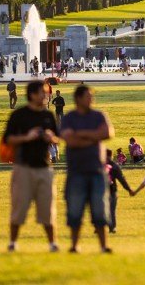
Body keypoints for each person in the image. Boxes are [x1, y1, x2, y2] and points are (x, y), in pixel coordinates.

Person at [3, 79, 61, 252]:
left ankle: (53, 244)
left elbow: (58, 138)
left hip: (44, 168)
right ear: (33, 95)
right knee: (19, 208)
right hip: (23, 167)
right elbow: (8, 139)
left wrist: (51, 138)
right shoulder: (19, 115)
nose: (46, 95)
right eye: (43, 92)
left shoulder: (48, 115)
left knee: (48, 208)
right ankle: (13, 243)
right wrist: (27, 137)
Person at [59, 84, 114, 253]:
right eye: (88, 96)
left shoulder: (99, 115)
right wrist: (94, 136)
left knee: (100, 209)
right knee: (75, 210)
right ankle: (75, 246)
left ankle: (104, 246)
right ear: (78, 98)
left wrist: (81, 134)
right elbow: (70, 140)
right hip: (77, 171)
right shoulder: (69, 118)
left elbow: (108, 133)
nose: (92, 99)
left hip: (97, 171)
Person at [105, 149, 133, 234]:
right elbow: (121, 179)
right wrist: (129, 189)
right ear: (111, 156)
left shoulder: (98, 164)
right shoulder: (114, 166)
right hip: (112, 190)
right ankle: (112, 227)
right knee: (112, 210)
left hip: (100, 191)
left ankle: (99, 226)